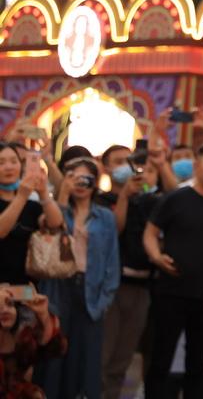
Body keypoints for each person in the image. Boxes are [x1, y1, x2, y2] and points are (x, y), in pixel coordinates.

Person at [143, 141, 203, 399]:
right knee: (160, 358)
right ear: (197, 165)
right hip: (170, 291)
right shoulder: (176, 198)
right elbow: (150, 233)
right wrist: (157, 256)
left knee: (197, 363)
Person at [40, 158, 120, 399]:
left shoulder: (105, 216)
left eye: (86, 178)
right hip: (59, 286)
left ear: (95, 182)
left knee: (86, 358)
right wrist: (62, 196)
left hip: (91, 289)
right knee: (54, 354)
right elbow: (51, 230)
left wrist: (104, 299)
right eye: (73, 177)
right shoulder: (57, 209)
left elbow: (112, 259)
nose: (80, 183)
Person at [100, 150, 168, 399]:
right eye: (118, 162)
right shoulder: (102, 200)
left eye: (129, 162)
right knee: (103, 356)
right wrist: (124, 197)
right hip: (112, 288)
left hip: (142, 287)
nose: (126, 167)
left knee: (123, 357)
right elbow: (113, 231)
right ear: (106, 168)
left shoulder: (151, 203)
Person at [0, 143, 63, 285]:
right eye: (1, 163)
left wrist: (43, 193)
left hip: (26, 288)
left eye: (14, 161)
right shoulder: (23, 197)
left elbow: (55, 224)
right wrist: (22, 195)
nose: (9, 167)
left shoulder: (31, 204)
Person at [0, 285, 67, 399]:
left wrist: (43, 316)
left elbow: (56, 348)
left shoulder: (23, 341)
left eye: (9, 304)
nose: (5, 310)